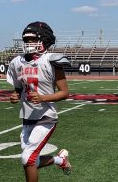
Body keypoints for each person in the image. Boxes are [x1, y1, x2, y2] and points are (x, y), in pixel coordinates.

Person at [7, 21, 72, 182]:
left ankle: (60, 161)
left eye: (32, 40)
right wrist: (15, 95)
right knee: (31, 161)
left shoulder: (52, 61)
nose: (28, 44)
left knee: (27, 159)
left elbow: (64, 93)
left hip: (46, 117)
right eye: (26, 40)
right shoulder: (17, 62)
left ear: (44, 41)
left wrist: (43, 97)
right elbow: (18, 88)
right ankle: (60, 160)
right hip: (27, 117)